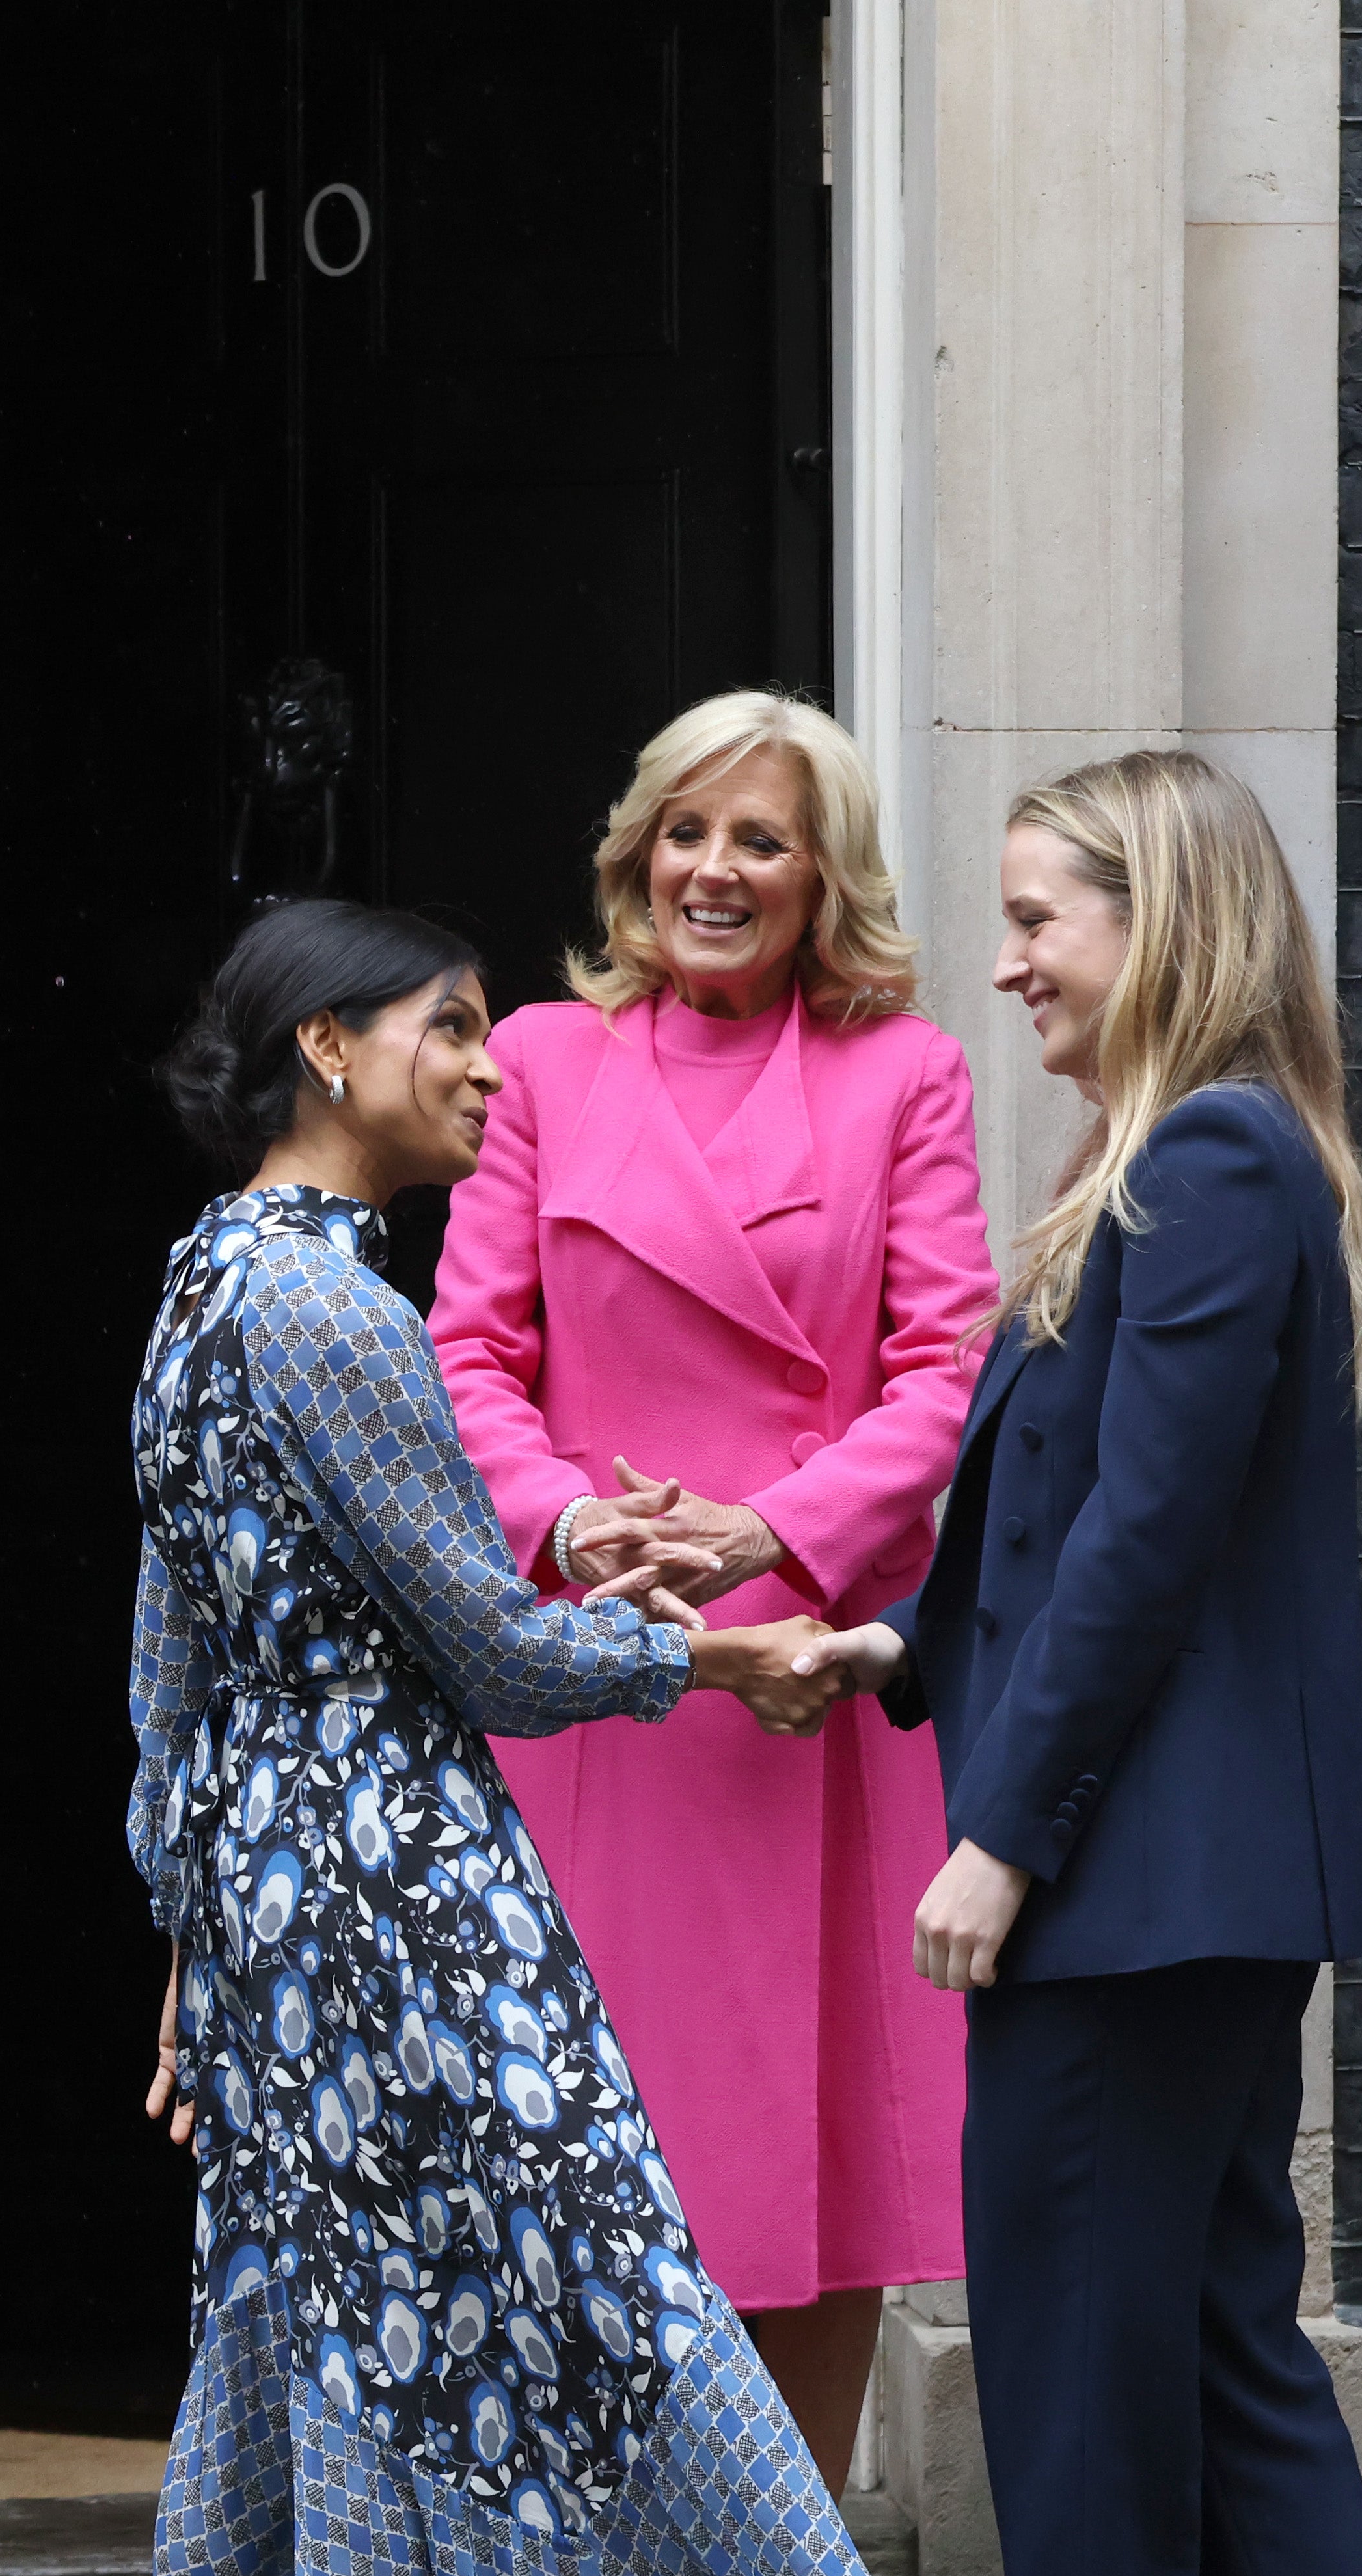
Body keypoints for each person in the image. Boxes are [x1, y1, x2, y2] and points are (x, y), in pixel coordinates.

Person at [96, 895, 899, 2576]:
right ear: (324, 1054)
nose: (484, 1061)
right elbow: (481, 1649)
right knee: (435, 2337)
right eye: (447, 1030)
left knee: (282, 2316)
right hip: (395, 1887)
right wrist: (724, 1647)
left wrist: (194, 1932)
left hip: (278, 1887)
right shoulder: (332, 1309)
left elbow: (186, 1662)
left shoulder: (200, 1289)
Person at [802, 752, 1362, 2576]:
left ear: (1162, 916)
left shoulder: (1203, 1162)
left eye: (1040, 918)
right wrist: (875, 1646)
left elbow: (1147, 1542)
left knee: (1083, 2373)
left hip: (1138, 1877)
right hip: (1175, 1868)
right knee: (1202, 2343)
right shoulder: (1175, 1162)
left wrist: (996, 1831)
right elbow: (1044, 1532)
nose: (1003, 961)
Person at [429, 690, 992, 2478]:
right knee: (582, 2163)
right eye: (685, 830)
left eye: (759, 838)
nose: (714, 870)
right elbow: (465, 1355)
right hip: (600, 1686)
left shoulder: (901, 1073)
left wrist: (773, 1533)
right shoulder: (538, 1058)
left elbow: (943, 1370)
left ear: (823, 875)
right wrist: (573, 1532)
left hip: (804, 1688)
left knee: (806, 2168)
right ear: (634, 852)